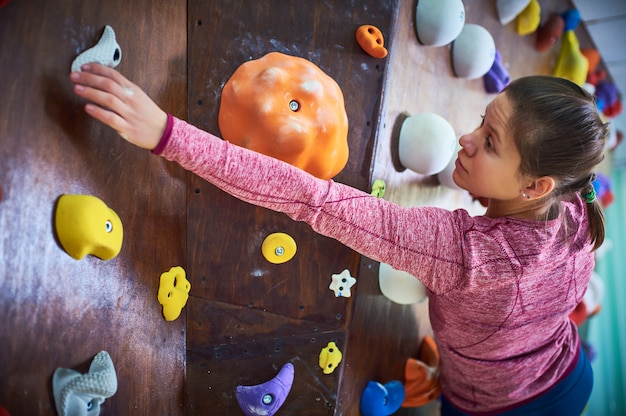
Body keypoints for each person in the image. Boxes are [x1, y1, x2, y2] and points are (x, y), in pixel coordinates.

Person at [70, 64, 608, 415]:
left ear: (536, 185)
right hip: (559, 368)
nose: (465, 140)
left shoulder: (463, 254)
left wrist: (167, 134)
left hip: (505, 405)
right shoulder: (574, 203)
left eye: (489, 143)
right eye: (481, 123)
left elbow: (311, 199)